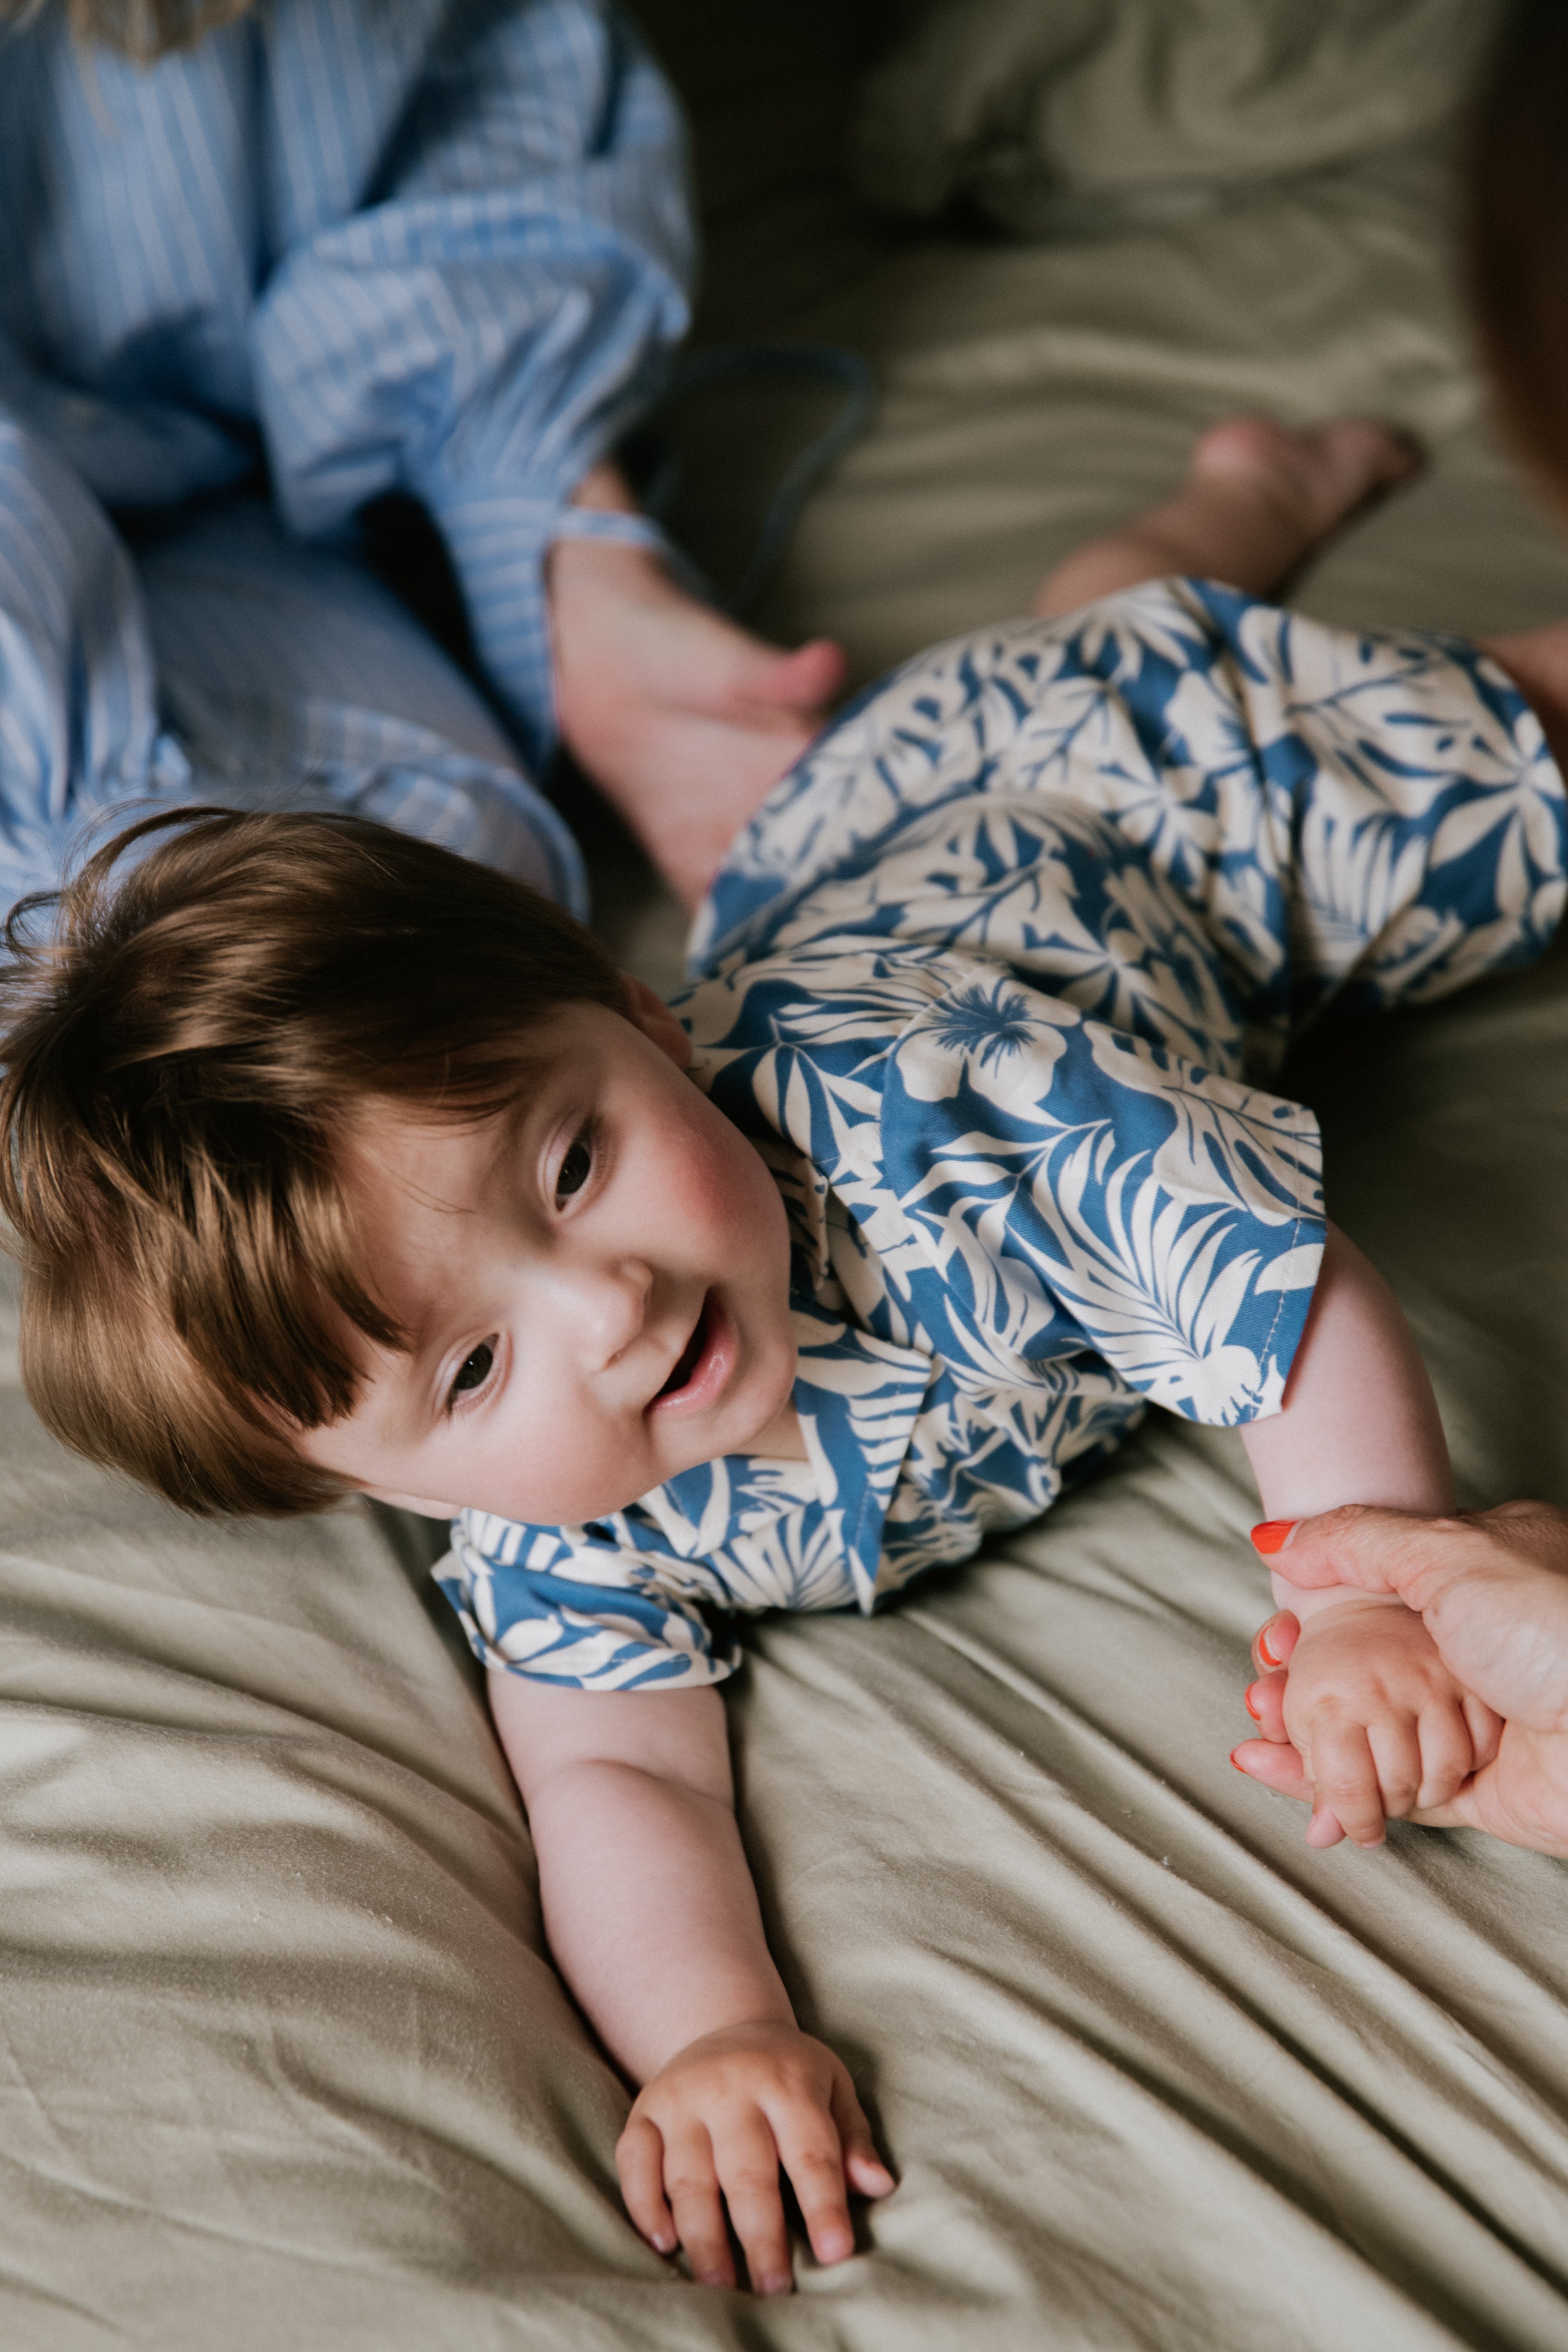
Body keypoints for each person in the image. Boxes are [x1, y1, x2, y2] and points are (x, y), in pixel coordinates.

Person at [2, 416, 1563, 2293]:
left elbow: (1287, 1295)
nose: (605, 1310)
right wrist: (714, 2036)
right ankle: (1226, 512)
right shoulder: (549, 1535)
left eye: (573, 1162)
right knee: (1081, 628)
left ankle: (1244, 524)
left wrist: (1374, 1584)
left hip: (1152, 827)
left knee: (1474, 752)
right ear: (372, 1485)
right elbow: (620, 1787)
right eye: (472, 1374)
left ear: (640, 1016)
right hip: (907, 809)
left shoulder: (945, 1115)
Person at [0, 0, 845, 921]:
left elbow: (470, 109)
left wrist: (573, 570)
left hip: (237, 508)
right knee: (295, 959)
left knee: (438, 873)